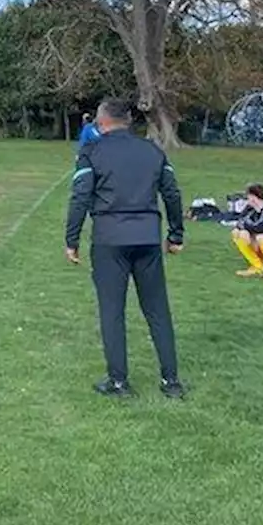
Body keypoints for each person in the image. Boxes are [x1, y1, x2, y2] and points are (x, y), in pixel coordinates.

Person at [65, 98, 185, 398]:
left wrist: (72, 239)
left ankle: (118, 382)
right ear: (128, 122)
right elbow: (171, 193)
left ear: (101, 123)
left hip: (109, 240)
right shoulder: (152, 151)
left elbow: (80, 197)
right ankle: (171, 382)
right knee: (158, 310)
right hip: (147, 238)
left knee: (112, 312)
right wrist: (176, 234)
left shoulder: (91, 152)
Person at [230, 183, 263, 283]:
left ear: (254, 197)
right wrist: (242, 229)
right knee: (237, 233)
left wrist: (244, 228)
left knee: (262, 238)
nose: (247, 198)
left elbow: (259, 227)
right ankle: (258, 268)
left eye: (248, 196)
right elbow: (240, 221)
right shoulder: (251, 208)